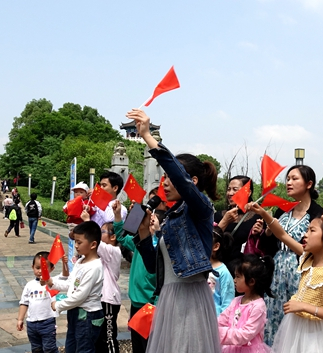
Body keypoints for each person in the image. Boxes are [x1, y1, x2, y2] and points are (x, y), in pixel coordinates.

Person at [127, 108, 221, 353]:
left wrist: (148, 137)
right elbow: (153, 265)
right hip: (168, 297)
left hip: (190, 298)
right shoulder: (170, 218)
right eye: (163, 177)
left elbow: (181, 180)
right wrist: (144, 234)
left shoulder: (201, 208)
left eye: (170, 177)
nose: (165, 183)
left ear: (192, 182)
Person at [250, 165, 323, 345]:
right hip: (277, 273)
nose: (289, 183)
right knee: (274, 318)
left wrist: (279, 231)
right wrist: (266, 233)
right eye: (288, 179)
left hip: (301, 273)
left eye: (294, 178)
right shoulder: (282, 211)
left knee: (299, 322)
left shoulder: (317, 214)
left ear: (309, 184)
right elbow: (270, 247)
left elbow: (314, 252)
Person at [268, 214, 323, 353]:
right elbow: (282, 235)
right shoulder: (306, 259)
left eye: (312, 230)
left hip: (319, 335)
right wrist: (263, 214)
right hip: (296, 329)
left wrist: (303, 306)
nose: (305, 235)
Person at [43, 221, 104, 353]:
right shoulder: (81, 261)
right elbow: (71, 283)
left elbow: (80, 296)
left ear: (93, 244)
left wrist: (58, 305)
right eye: (75, 242)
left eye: (79, 242)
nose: (76, 246)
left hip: (88, 315)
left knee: (84, 348)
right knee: (71, 346)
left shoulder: (94, 267)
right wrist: (51, 282)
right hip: (75, 313)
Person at [113, 197, 158, 353]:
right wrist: (118, 215)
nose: (150, 220)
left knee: (149, 346)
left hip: (151, 305)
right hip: (136, 303)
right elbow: (120, 236)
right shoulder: (139, 243)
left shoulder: (162, 247)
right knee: (137, 345)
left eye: (153, 217)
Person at [80, 208, 123, 353]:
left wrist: (87, 222)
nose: (99, 234)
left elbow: (98, 244)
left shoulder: (113, 251)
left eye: (102, 232)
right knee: (97, 337)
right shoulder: (101, 253)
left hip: (108, 300)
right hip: (98, 300)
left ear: (113, 237)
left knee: (108, 337)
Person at [218, 254, 274, 353]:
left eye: (238, 277)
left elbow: (245, 334)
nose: (234, 280)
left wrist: (218, 332)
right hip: (231, 348)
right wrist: (211, 325)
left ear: (251, 281)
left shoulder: (258, 306)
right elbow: (222, 319)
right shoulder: (236, 301)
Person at [17, 251, 65, 353]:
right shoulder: (29, 285)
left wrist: (65, 264)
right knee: (36, 349)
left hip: (47, 322)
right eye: (37, 268)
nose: (40, 271)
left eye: (43, 268)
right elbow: (24, 303)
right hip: (31, 323)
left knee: (49, 349)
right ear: (32, 267)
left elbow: (65, 276)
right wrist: (20, 319)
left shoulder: (52, 282)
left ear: (51, 269)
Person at [208, 226, 235, 315]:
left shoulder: (223, 273)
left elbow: (228, 304)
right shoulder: (196, 268)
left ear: (216, 246)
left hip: (214, 321)